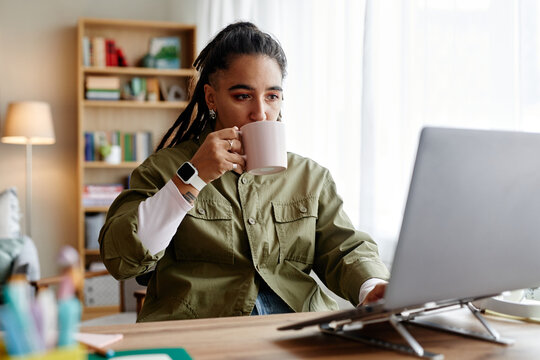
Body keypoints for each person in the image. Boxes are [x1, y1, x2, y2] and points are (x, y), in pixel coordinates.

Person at [99, 22, 389, 322]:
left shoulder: (309, 176)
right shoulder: (164, 169)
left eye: (272, 96)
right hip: (202, 334)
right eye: (243, 96)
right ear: (211, 98)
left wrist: (372, 285)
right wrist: (194, 176)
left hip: (297, 330)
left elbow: (345, 249)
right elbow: (121, 261)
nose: (261, 113)